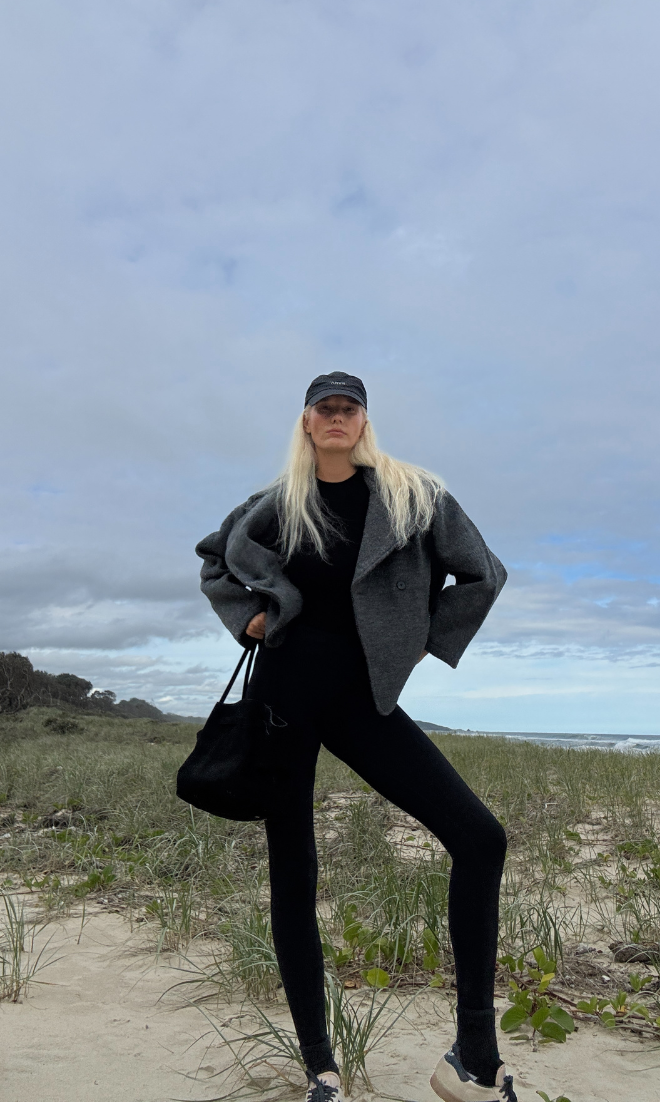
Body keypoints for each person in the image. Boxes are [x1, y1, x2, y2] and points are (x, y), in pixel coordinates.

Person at [196, 372, 516, 1102]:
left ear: (364, 421)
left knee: (480, 838)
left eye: (349, 408)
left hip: (361, 702)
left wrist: (419, 639)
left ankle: (473, 1054)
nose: (337, 417)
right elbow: (215, 558)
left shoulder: (412, 497)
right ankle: (321, 1069)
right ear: (307, 422)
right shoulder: (276, 505)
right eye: (325, 409)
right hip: (280, 701)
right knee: (294, 876)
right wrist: (248, 615)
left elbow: (484, 574)